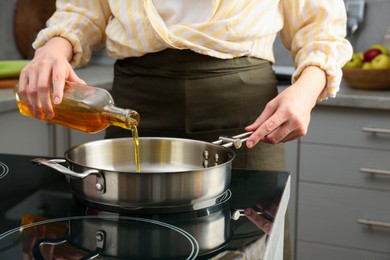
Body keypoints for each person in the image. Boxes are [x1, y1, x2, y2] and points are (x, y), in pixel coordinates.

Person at [17, 0, 353, 258]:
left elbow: (320, 27)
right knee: (126, 243)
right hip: (133, 114)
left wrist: (307, 91)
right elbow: (82, 10)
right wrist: (53, 48)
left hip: (248, 122)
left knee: (252, 245)